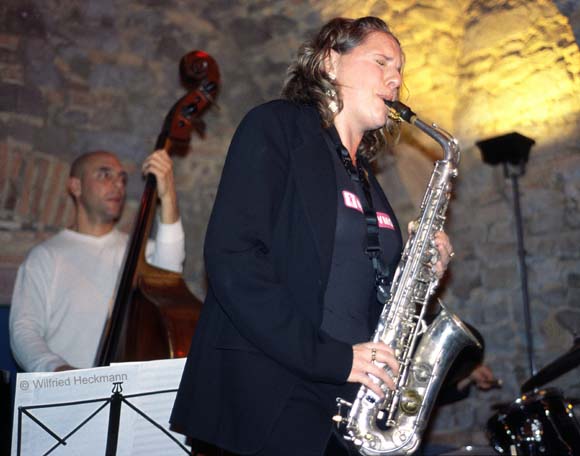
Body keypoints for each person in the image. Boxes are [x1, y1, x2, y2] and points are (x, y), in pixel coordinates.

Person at [171, 16, 454, 456]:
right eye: (381, 62)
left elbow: (363, 289)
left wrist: (421, 274)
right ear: (328, 62)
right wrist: (334, 358)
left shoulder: (366, 178)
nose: (396, 80)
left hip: (344, 403)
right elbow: (234, 257)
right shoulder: (277, 126)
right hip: (271, 395)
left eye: (400, 70)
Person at [9, 149, 185, 372]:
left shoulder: (141, 253)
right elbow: (24, 329)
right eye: (105, 175)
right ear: (76, 187)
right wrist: (56, 369)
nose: (118, 185)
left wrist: (168, 196)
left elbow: (169, 276)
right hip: (63, 388)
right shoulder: (45, 256)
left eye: (122, 178)